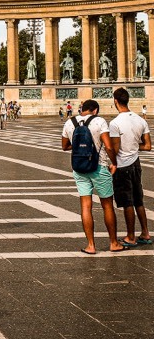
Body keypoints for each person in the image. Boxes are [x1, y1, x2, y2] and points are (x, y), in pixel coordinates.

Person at [61, 99, 124, 254]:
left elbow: (64, 146)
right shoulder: (99, 121)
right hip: (99, 166)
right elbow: (109, 146)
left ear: (82, 109)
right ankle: (113, 243)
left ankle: (91, 245)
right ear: (95, 110)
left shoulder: (70, 123)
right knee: (107, 205)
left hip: (79, 168)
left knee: (85, 206)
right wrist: (114, 162)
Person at [109, 87, 152, 247]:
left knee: (127, 202)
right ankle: (146, 233)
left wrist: (112, 163)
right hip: (136, 164)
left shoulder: (115, 123)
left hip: (122, 165)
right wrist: (134, 146)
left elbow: (115, 148)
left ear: (115, 101)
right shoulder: (140, 120)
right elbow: (147, 146)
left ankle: (131, 236)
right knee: (138, 200)